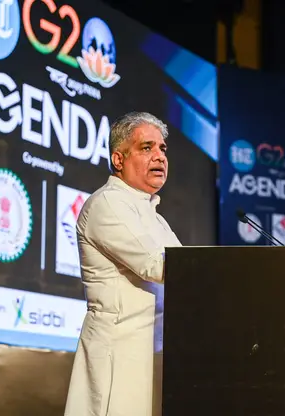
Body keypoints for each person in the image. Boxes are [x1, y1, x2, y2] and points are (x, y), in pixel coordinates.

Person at [64, 111, 181, 416]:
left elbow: (189, 274)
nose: (159, 156)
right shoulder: (106, 205)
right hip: (119, 356)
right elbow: (159, 266)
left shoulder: (154, 217)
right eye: (147, 148)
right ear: (118, 159)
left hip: (151, 355)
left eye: (162, 149)